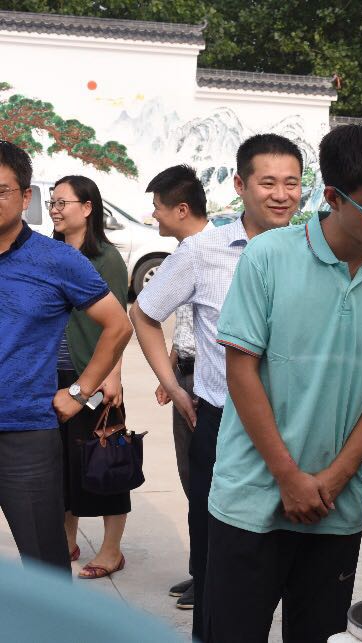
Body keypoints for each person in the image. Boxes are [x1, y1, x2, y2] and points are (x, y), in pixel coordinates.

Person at [203, 121, 362, 641]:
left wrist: (337, 476)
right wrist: (288, 476)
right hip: (251, 498)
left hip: (336, 505)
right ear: (333, 197)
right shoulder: (269, 257)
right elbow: (241, 370)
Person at [130, 134, 303, 639]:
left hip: (296, 428)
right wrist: (173, 385)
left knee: (292, 557)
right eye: (267, 183)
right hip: (224, 426)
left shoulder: (313, 251)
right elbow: (144, 313)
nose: (280, 195)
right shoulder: (203, 251)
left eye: (291, 183)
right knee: (216, 559)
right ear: (240, 186)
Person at [0, 141, 131, 572]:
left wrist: (79, 392)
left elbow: (118, 325)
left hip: (25, 434)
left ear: (25, 197)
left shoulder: (55, 260)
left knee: (46, 566)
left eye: (1, 190)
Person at [50, 175, 132, 579]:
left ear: (87, 208)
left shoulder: (106, 259)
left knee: (105, 461)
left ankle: (111, 550)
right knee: (61, 465)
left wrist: (112, 375)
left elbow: (119, 322)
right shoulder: (49, 253)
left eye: (62, 202)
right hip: (54, 375)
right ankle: (66, 540)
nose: (54, 209)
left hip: (93, 375)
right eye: (52, 202)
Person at [144, 164, 210, 609]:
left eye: (158, 207)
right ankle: (200, 569)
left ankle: (210, 579)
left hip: (209, 381)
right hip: (186, 373)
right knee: (191, 478)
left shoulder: (213, 252)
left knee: (206, 481)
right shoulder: (187, 253)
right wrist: (169, 374)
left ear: (181, 209)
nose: (154, 215)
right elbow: (186, 321)